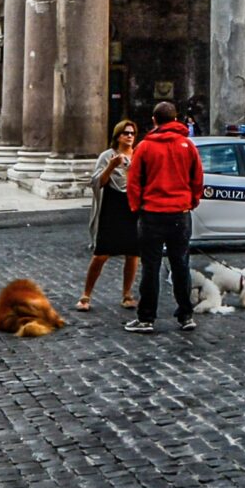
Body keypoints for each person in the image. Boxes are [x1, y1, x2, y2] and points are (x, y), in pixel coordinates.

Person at [126, 101, 204, 333]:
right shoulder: (187, 145)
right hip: (180, 214)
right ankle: (186, 315)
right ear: (175, 119)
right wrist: (191, 202)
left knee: (151, 267)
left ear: (154, 120)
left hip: (152, 214)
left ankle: (146, 318)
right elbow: (197, 179)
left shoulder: (145, 147)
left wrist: (136, 207)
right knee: (180, 265)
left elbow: (134, 182)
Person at [80, 121, 141, 311]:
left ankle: (127, 294)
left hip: (131, 206)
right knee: (101, 254)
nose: (129, 136)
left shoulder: (138, 155)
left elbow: (141, 182)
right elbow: (98, 182)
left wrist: (131, 170)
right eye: (125, 133)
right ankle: (86, 295)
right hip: (111, 206)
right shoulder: (107, 156)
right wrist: (112, 166)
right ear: (117, 136)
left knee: (132, 253)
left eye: (132, 133)